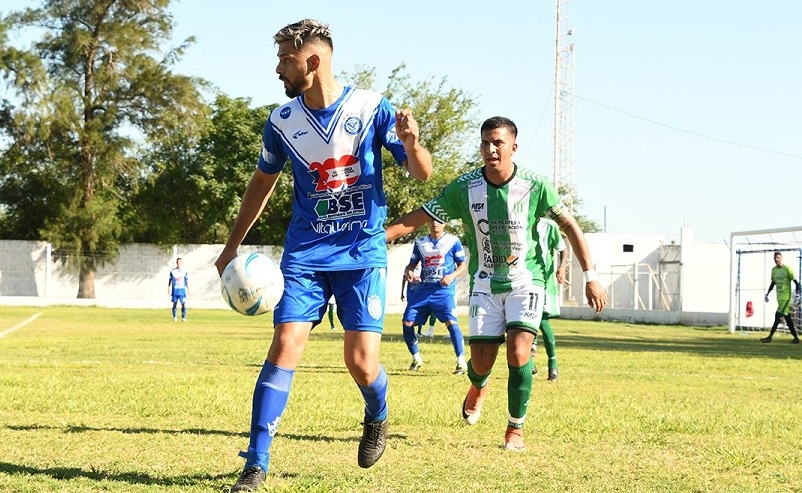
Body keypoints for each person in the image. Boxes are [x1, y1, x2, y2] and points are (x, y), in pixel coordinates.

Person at [214, 19, 432, 492]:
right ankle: (256, 464)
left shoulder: (370, 107)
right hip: (305, 254)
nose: (278, 68)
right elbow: (261, 183)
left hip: (361, 253)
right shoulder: (282, 121)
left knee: (361, 363)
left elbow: (422, 173)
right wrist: (232, 246)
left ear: (312, 61)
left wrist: (413, 144)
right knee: (285, 345)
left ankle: (377, 412)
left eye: (285, 59)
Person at [386, 116, 606, 452]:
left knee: (519, 352)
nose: (491, 149)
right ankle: (478, 384)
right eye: (485, 143)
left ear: (513, 147)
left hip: (526, 281)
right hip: (485, 284)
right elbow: (419, 217)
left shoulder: (535, 185)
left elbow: (571, 226)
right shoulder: (465, 188)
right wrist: (377, 238)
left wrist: (591, 277)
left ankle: (515, 429)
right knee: (481, 363)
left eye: (498, 143)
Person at [401, 219, 468, 374]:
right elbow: (411, 264)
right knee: (407, 323)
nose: (435, 223)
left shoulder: (453, 241)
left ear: (445, 224)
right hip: (423, 291)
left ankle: (461, 361)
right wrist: (409, 270)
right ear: (427, 223)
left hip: (443, 291)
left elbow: (462, 266)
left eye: (439, 221)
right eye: (431, 220)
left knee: (452, 323)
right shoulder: (420, 243)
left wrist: (451, 276)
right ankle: (416, 358)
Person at [530, 217, 569, 380]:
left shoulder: (549, 226)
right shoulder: (520, 220)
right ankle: (530, 363)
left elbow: (563, 248)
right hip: (522, 279)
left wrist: (562, 267)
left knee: (542, 320)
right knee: (519, 322)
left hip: (544, 280)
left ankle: (552, 364)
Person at [761, 251, 801, 344]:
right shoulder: (774, 270)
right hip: (779, 297)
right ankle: (796, 338)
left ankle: (769, 337)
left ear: (781, 258)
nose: (776, 259)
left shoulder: (787, 269)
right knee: (788, 319)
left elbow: (796, 282)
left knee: (777, 316)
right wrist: (768, 293)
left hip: (786, 298)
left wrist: (798, 293)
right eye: (775, 258)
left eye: (778, 257)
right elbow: (773, 282)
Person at [168, 258, 188, 322]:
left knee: (183, 304)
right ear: (176, 263)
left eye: (180, 262)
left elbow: (186, 281)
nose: (179, 263)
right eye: (178, 262)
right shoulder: (173, 271)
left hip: (182, 291)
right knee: (174, 303)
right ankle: (174, 317)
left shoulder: (184, 271)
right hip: (175, 291)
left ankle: (183, 317)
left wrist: (188, 289)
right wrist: (168, 288)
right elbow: (170, 280)